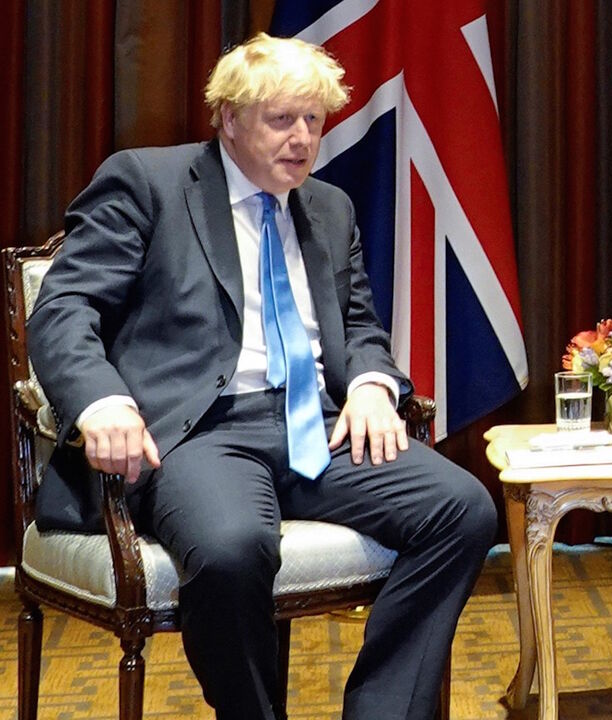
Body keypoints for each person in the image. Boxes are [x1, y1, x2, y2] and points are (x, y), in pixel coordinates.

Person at [27, 33, 496, 720]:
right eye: (282, 119)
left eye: (314, 120)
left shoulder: (329, 208)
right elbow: (65, 307)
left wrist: (372, 384)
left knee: (463, 509)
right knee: (230, 549)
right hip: (199, 434)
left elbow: (359, 325)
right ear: (229, 117)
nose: (302, 138)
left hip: (318, 428)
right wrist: (101, 402)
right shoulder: (148, 183)